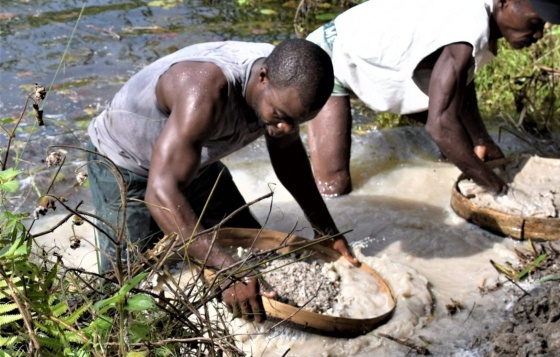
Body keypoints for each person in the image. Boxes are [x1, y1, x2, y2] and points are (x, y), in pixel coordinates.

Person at [86, 39, 358, 322]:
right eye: (279, 116)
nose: (286, 128)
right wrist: (227, 269)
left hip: (194, 163)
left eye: (297, 121)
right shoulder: (204, 91)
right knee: (126, 291)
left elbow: (289, 157)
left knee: (256, 255)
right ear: (262, 77)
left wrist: (324, 226)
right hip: (125, 164)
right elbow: (159, 193)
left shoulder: (287, 84)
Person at [305, 0, 560, 196]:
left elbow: (461, 81)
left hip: (374, 58)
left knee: (466, 147)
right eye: (535, 23)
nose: (539, 35)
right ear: (505, 2)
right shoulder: (469, 27)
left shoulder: (477, 17)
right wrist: (496, 186)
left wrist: (482, 139)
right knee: (334, 187)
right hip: (328, 57)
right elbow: (440, 127)